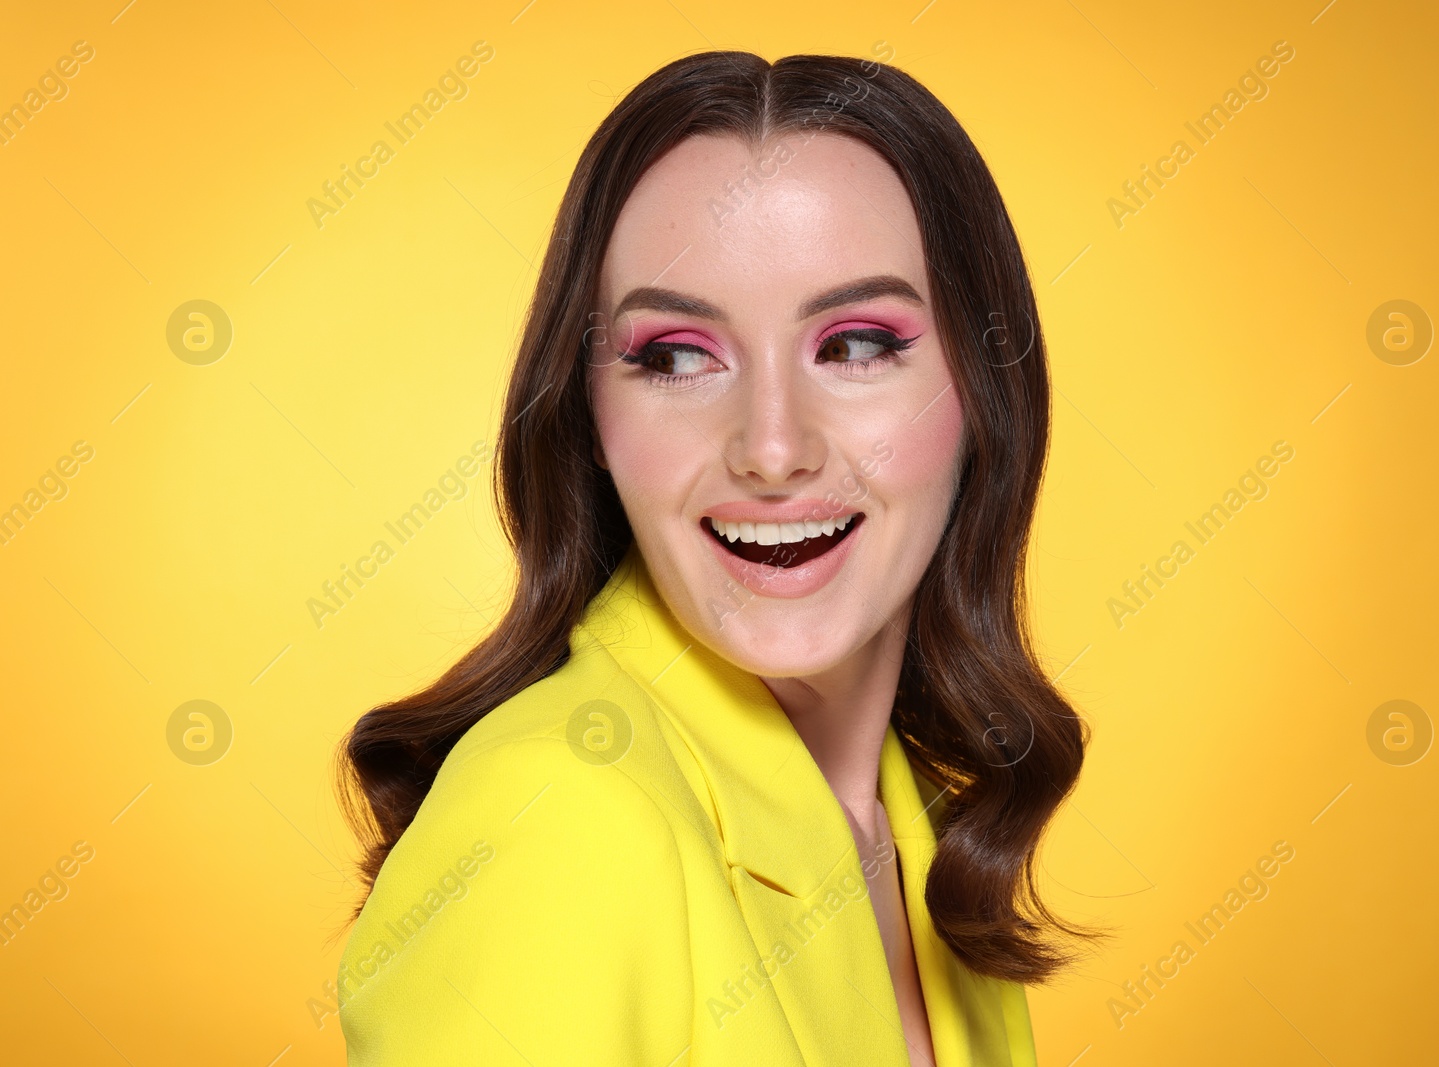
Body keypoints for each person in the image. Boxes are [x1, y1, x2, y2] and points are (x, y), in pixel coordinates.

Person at [335, 49, 1096, 1066]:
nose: (772, 447)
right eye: (677, 356)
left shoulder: (913, 823)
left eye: (857, 343)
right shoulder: (562, 820)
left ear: (981, 395)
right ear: (589, 415)